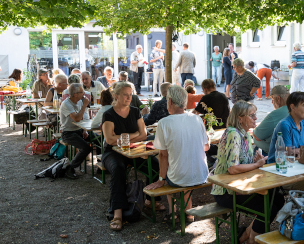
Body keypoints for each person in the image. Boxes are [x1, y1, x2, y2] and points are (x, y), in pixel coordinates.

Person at [211, 101, 283, 244]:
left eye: (255, 114)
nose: (256, 118)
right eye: (252, 115)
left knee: (277, 198)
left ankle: (247, 234)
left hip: (239, 186)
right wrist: (257, 165)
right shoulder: (233, 134)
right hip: (225, 191)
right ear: (240, 118)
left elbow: (242, 164)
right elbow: (233, 168)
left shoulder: (243, 134)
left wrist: (255, 160)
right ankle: (251, 243)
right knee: (267, 206)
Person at [101, 81, 163, 231]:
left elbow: (143, 135)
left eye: (130, 95)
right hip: (112, 152)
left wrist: (123, 137)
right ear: (116, 96)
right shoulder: (108, 114)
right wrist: (134, 135)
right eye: (125, 95)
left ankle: (151, 199)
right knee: (118, 170)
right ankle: (117, 213)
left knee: (155, 166)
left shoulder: (135, 111)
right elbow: (109, 140)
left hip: (134, 151)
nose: (129, 98)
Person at [144, 85, 209, 223]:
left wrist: (161, 179)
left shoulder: (164, 123)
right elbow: (206, 147)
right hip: (201, 174)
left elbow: (163, 155)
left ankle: (172, 212)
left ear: (170, 102)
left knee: (173, 173)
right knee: (182, 168)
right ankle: (188, 213)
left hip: (180, 178)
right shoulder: (197, 119)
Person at [60, 83, 96, 180]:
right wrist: (85, 105)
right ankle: (70, 168)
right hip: (68, 132)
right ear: (75, 94)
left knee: (99, 139)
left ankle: (103, 165)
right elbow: (76, 118)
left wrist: (84, 130)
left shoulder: (79, 101)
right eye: (82, 92)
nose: (84, 94)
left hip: (79, 129)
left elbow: (83, 117)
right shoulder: (66, 104)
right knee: (86, 148)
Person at [267, 91, 304, 164]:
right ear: (292, 107)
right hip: (278, 165)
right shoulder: (284, 125)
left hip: (295, 162)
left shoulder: (303, 123)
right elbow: (289, 153)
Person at [253, 85, 289, 154]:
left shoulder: (276, 114)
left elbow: (257, 135)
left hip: (275, 153)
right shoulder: (293, 109)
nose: (272, 102)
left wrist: (255, 129)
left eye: (272, 99)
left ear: (278, 99)